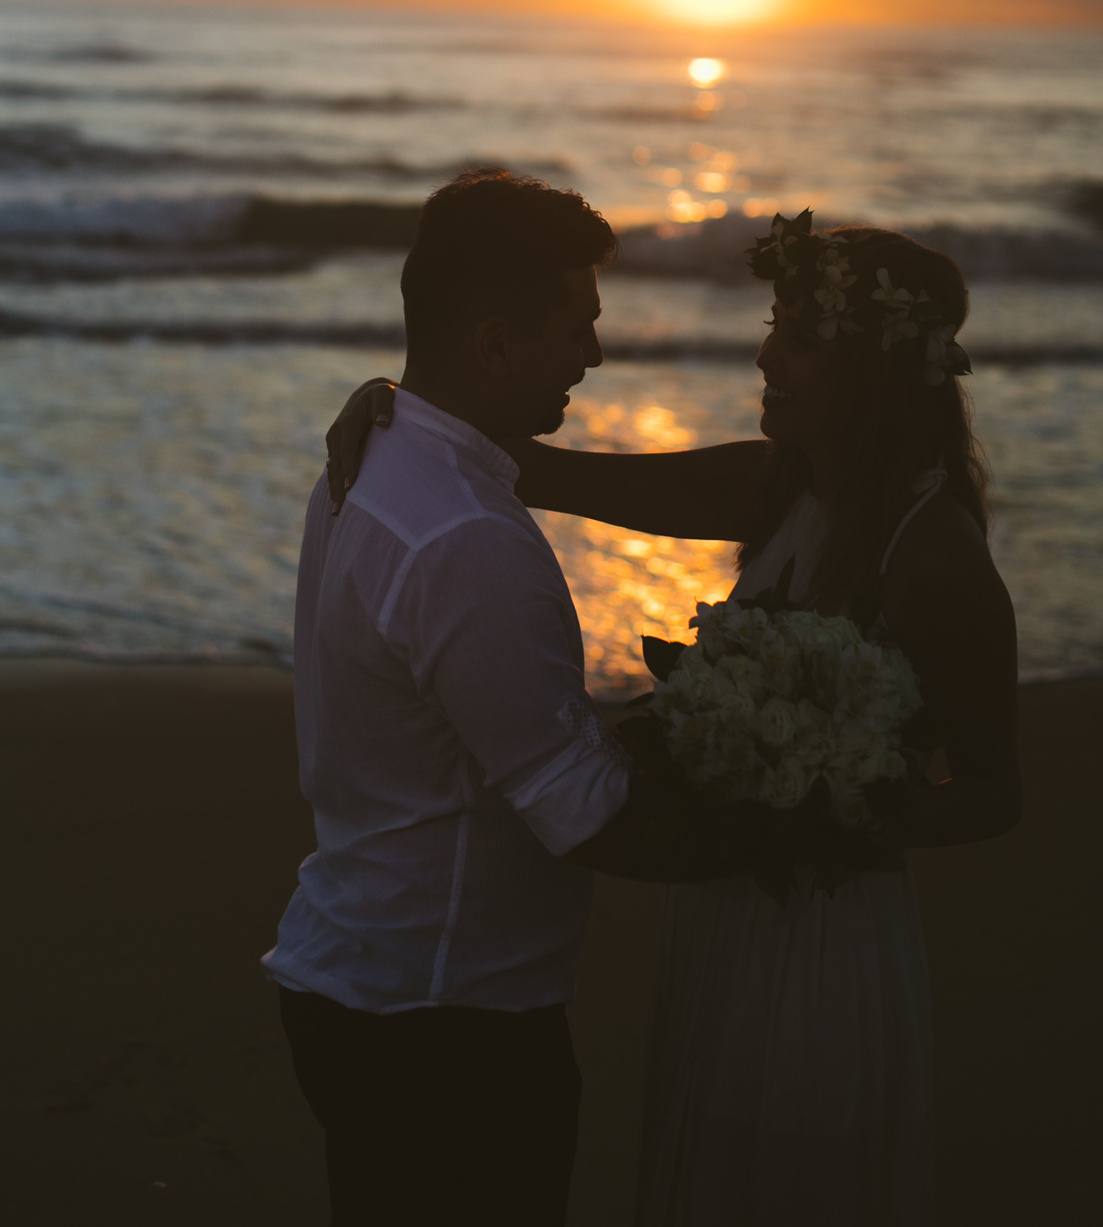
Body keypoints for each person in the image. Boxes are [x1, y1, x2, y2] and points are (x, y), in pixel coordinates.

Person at [327, 210, 1021, 1226]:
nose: (766, 354)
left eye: (800, 336)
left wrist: (824, 804)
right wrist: (397, 406)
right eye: (775, 325)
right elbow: (533, 468)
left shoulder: (934, 555)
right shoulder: (774, 487)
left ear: (873, 370)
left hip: (827, 937)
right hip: (726, 918)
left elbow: (995, 793)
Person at [264, 169, 727, 1227]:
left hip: (363, 974)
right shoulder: (466, 538)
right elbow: (584, 813)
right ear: (496, 343)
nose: (594, 355)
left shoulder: (370, 458)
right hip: (444, 1023)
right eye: (578, 327)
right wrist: (790, 822)